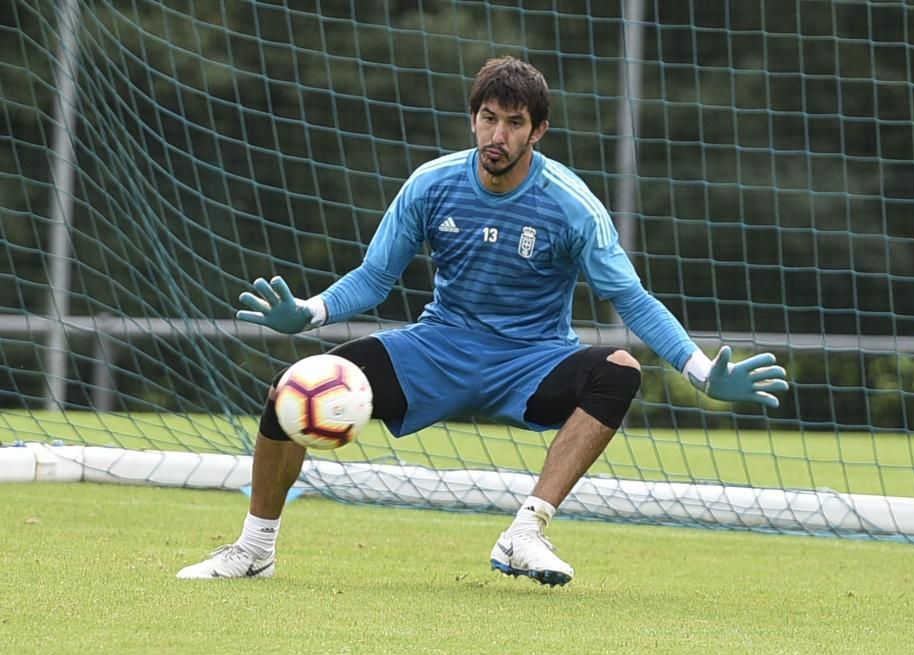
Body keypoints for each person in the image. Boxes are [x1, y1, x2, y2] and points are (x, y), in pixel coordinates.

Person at [177, 56, 788, 586]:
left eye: (514, 122)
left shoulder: (572, 206)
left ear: (538, 131)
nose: (497, 133)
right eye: (488, 117)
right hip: (438, 350)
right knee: (293, 388)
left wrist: (703, 371)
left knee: (619, 370)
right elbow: (374, 277)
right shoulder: (432, 184)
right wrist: (309, 312)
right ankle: (254, 549)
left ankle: (526, 532)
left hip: (532, 361)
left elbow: (632, 301)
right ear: (473, 119)